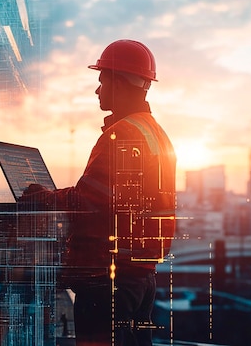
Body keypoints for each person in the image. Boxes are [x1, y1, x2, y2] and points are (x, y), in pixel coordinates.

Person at [21, 39, 176, 346]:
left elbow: (91, 201)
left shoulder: (124, 134)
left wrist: (44, 198)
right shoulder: (155, 132)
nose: (97, 90)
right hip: (139, 277)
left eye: (102, 80)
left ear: (119, 82)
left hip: (110, 281)